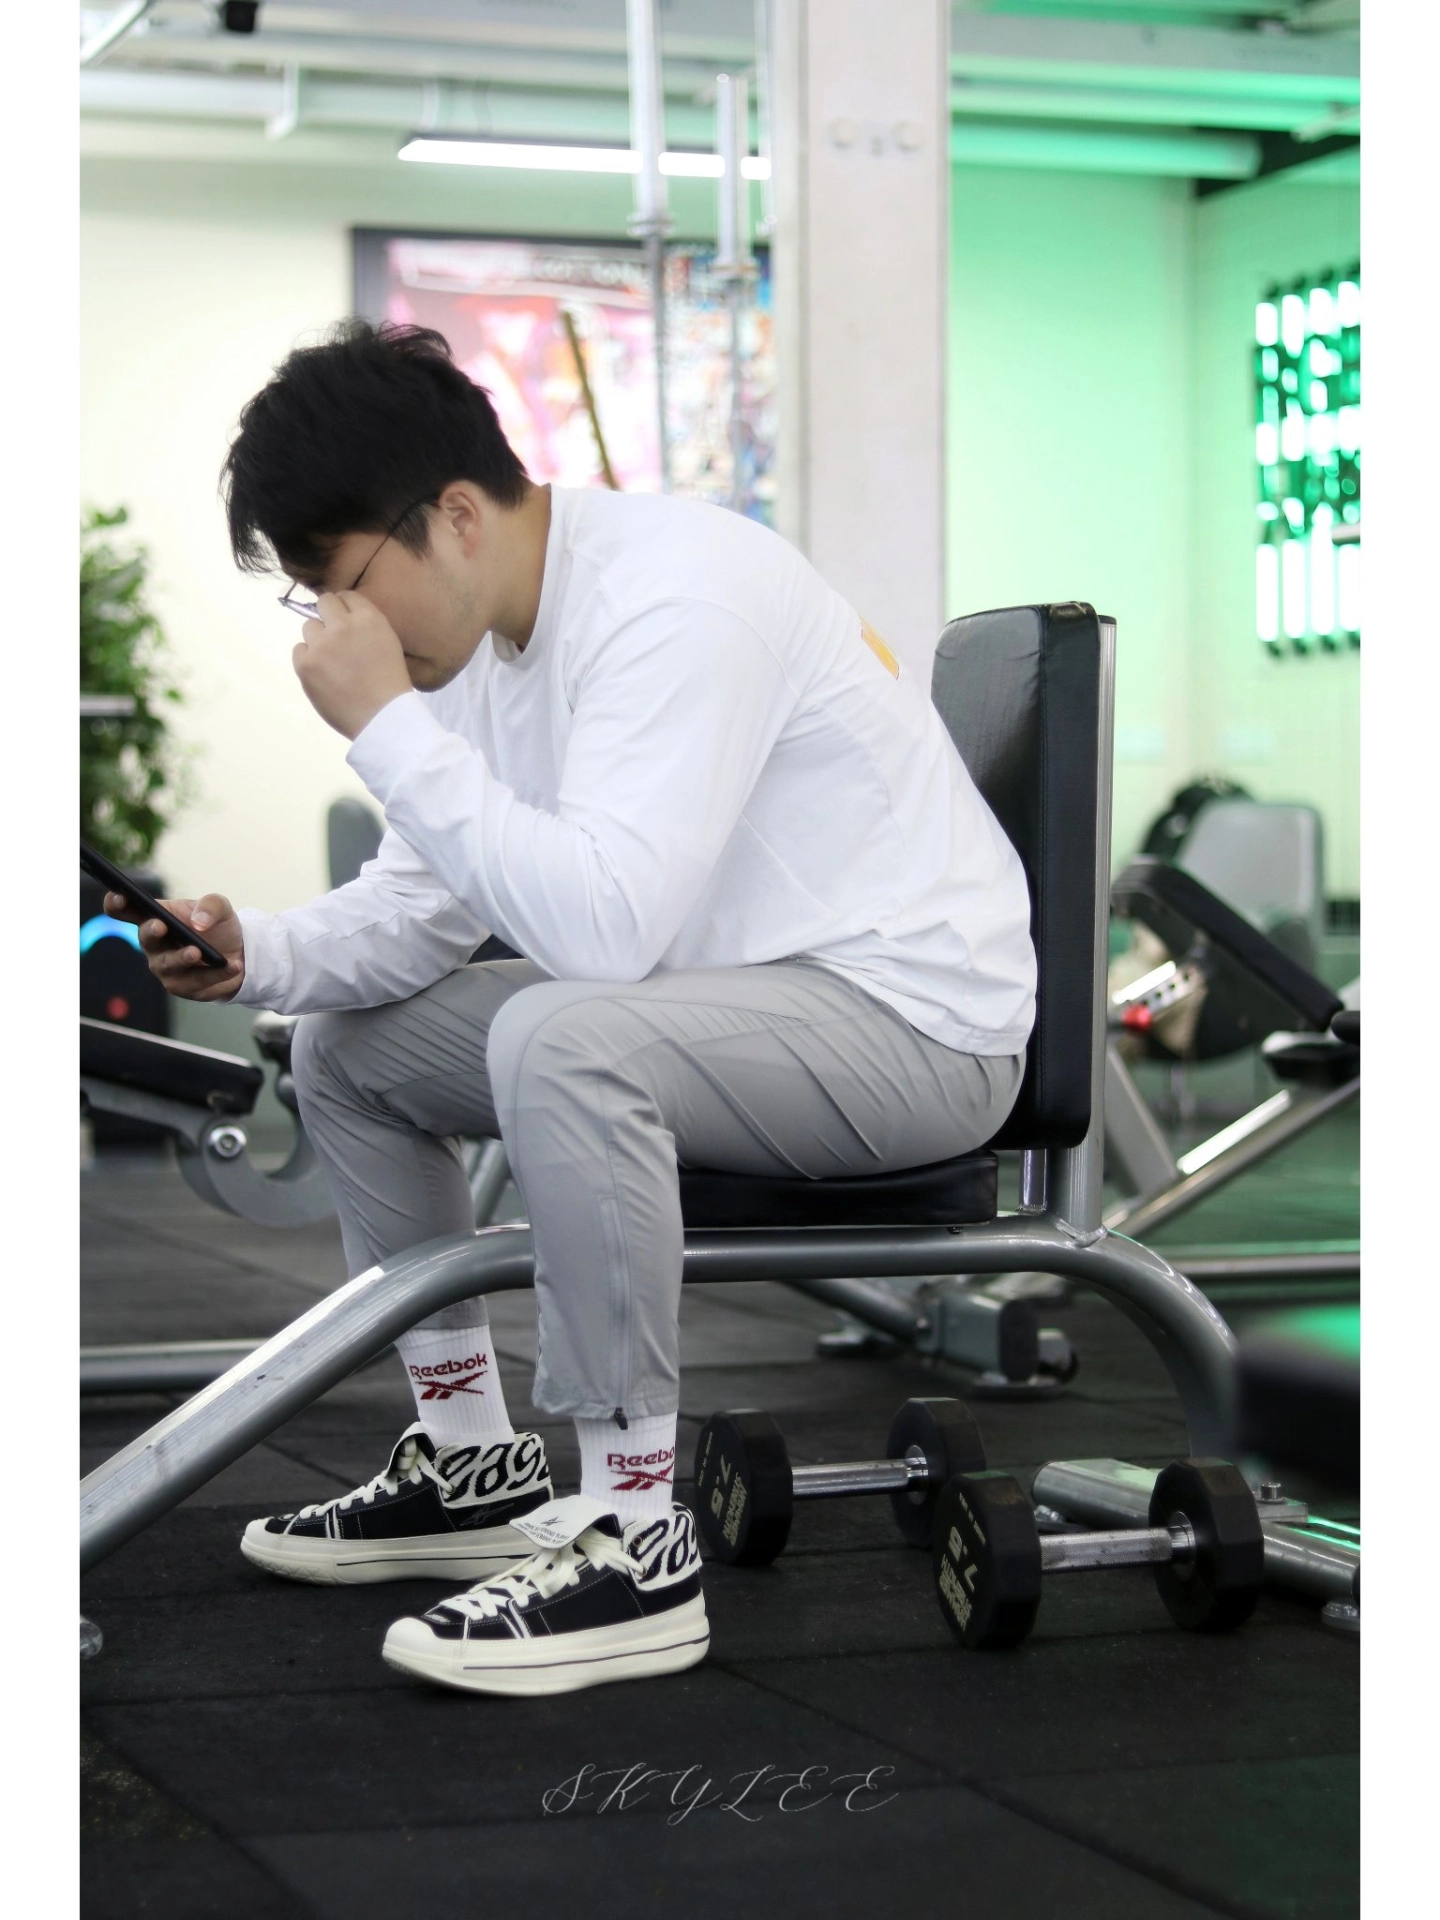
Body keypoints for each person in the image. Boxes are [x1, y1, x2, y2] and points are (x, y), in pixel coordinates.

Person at [112, 319, 1035, 1699]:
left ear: (456, 515)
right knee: (350, 1049)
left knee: (560, 1035)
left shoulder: (676, 598)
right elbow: (421, 905)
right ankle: (469, 1458)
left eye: (342, 587)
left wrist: (386, 729)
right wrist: (260, 955)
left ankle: (634, 1533)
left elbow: (602, 931)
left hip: (917, 1025)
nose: (338, 632)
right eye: (313, 601)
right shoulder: (480, 648)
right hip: (725, 1004)